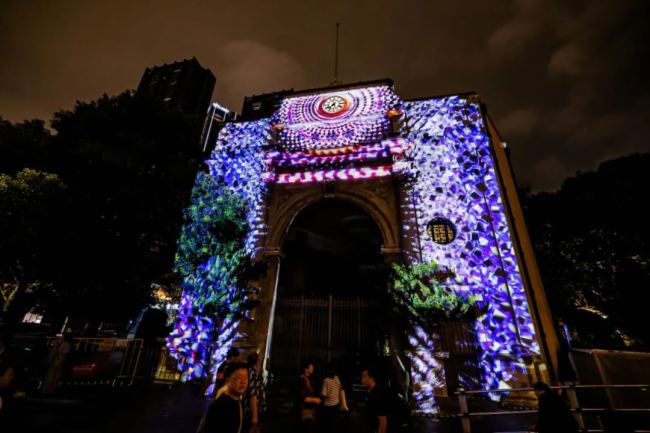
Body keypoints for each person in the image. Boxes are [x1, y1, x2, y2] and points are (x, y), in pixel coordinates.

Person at [203, 362, 249, 433]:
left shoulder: (239, 402)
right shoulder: (218, 407)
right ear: (228, 381)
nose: (243, 382)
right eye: (239, 378)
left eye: (245, 378)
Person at [319, 365, 349, 432]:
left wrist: (320, 393)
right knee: (333, 425)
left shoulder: (326, 380)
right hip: (336, 405)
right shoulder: (337, 378)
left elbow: (324, 393)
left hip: (328, 406)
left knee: (327, 425)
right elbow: (340, 389)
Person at [362, 367, 390, 433]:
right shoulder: (371, 393)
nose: (362, 380)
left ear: (372, 378)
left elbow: (383, 422)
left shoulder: (377, 394)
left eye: (364, 376)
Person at [242, 352, 265, 432]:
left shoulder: (250, 372)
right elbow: (253, 394)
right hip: (253, 411)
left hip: (252, 410)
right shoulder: (252, 374)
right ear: (257, 361)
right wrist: (255, 416)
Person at [297, 361, 321, 433]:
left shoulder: (309, 378)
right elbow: (303, 398)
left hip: (310, 409)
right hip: (305, 410)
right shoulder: (302, 380)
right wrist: (315, 400)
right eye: (311, 367)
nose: (312, 368)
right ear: (306, 369)